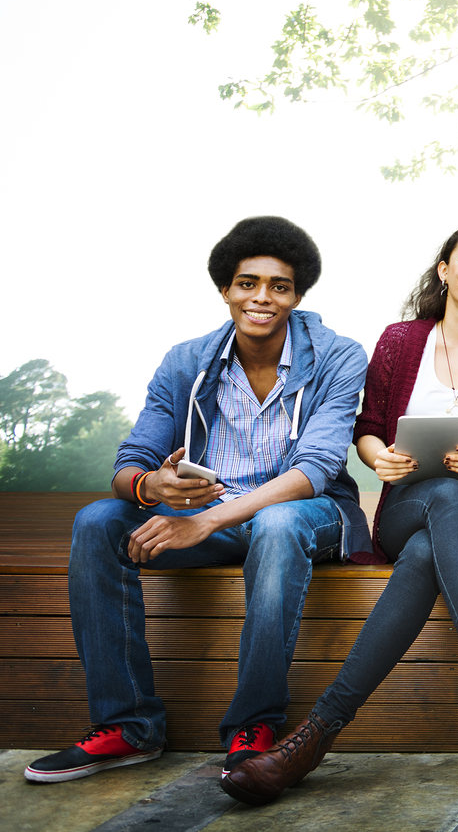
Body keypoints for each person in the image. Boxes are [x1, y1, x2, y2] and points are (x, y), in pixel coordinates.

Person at [220, 223, 458, 804]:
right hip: (409, 501)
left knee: (441, 529)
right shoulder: (402, 341)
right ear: (444, 270)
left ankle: (312, 737)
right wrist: (382, 460)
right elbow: (367, 428)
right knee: (439, 501)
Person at [25, 218, 368, 784]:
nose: (261, 298)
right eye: (247, 283)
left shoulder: (338, 356)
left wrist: (202, 521)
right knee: (97, 521)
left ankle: (253, 726)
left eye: (279, 286)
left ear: (298, 295)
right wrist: (148, 488)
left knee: (279, 523)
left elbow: (316, 469)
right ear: (226, 289)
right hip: (205, 513)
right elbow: (131, 459)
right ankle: (127, 727)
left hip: (308, 513)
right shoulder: (186, 361)